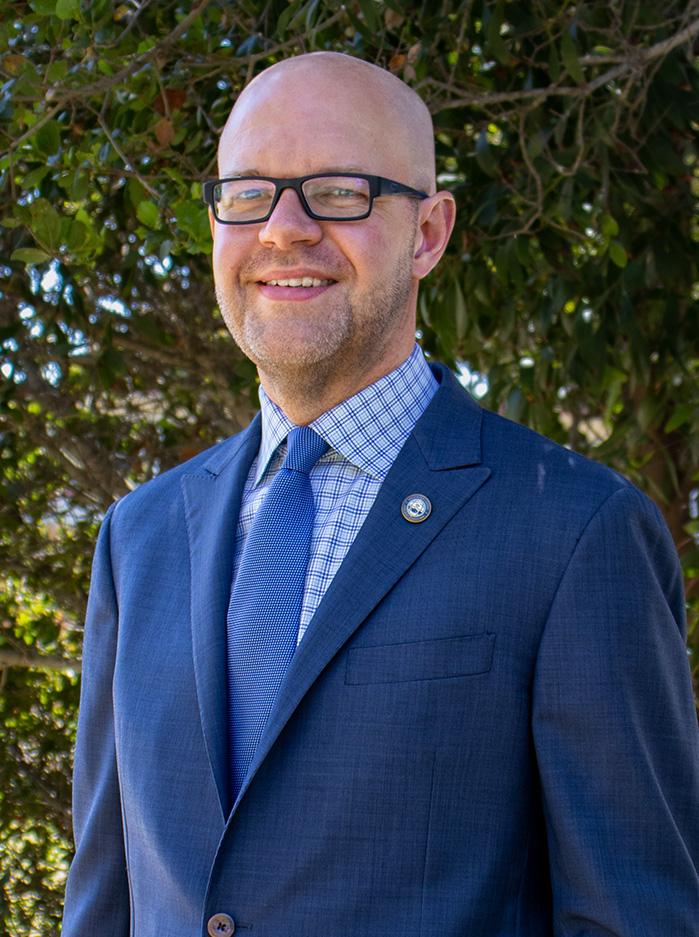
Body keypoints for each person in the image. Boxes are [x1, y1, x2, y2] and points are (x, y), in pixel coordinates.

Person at [62, 51, 699, 937]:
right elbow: (103, 903)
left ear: (428, 232)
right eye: (249, 193)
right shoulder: (138, 540)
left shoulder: (576, 533)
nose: (283, 230)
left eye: (337, 190)